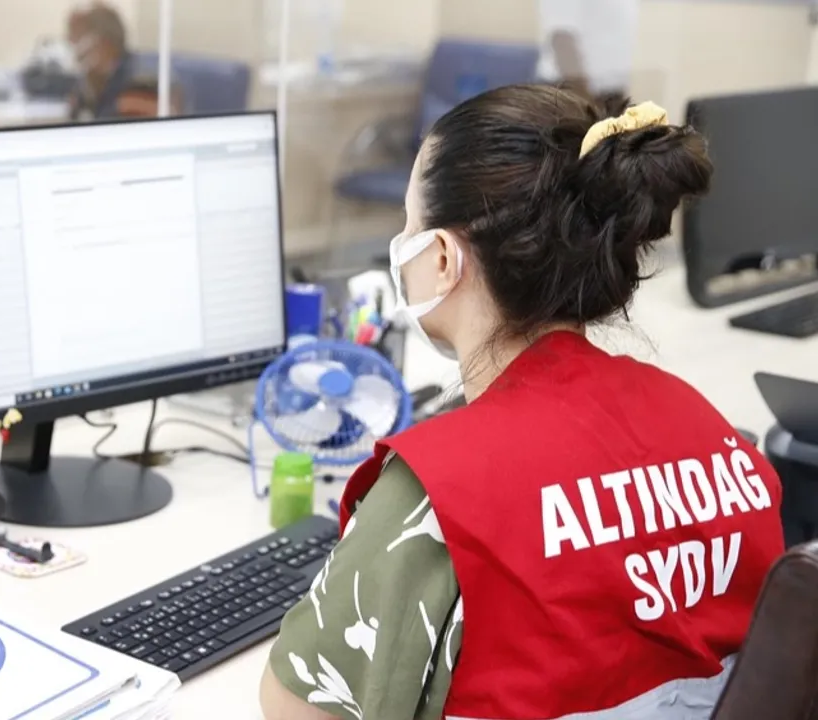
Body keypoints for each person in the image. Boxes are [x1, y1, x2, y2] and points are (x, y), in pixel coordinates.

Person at [259, 85, 784, 720]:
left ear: (443, 258)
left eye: (410, 225)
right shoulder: (716, 437)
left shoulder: (438, 493)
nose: (403, 242)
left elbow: (295, 707)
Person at [66, 2, 137, 120]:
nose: (72, 46)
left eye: (78, 37)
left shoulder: (137, 84)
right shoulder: (90, 81)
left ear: (104, 43)